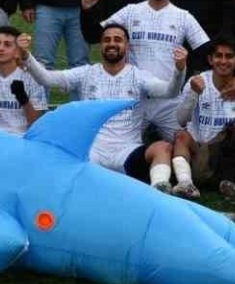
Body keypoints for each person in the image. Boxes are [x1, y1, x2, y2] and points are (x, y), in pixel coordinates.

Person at [19, 25, 187, 189]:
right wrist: (26, 55)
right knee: (57, 151)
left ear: (127, 46)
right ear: (101, 45)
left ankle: (159, 190)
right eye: (107, 40)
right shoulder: (86, 73)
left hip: (127, 151)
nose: (112, 43)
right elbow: (47, 79)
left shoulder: (139, 76)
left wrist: (179, 70)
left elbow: (169, 91)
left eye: (117, 40)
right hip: (92, 152)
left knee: (162, 148)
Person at [99, 0, 210, 149]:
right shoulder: (130, 11)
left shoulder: (183, 16)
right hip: (135, 99)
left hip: (170, 101)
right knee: (114, 147)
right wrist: (88, 10)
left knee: (188, 146)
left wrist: (190, 76)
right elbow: (98, 33)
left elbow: (205, 51)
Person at [171, 36, 235, 194]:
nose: (223, 61)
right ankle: (185, 183)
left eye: (229, 56)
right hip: (198, 149)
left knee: (233, 136)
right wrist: (194, 94)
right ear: (210, 59)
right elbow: (181, 120)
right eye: (218, 56)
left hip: (227, 152)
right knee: (181, 136)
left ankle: (226, 181)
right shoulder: (197, 81)